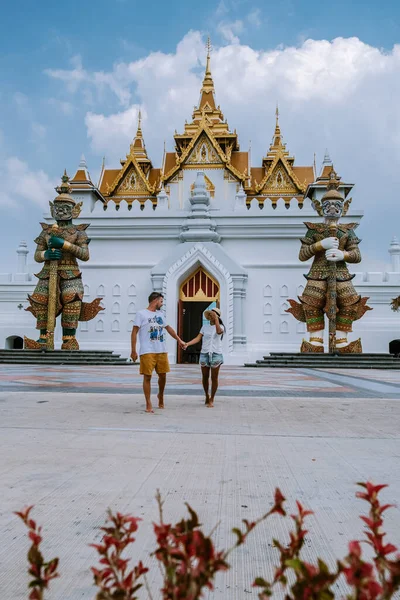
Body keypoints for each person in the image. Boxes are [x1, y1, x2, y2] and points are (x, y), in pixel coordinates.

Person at [131, 292, 184, 413]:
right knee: (147, 376)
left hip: (161, 349)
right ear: (155, 300)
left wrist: (179, 340)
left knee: (163, 375)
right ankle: (148, 403)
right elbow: (134, 332)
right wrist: (133, 350)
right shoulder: (141, 314)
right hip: (147, 350)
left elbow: (168, 328)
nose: (162, 304)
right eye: (161, 301)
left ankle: (160, 395)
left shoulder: (160, 314)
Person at [183, 308, 224, 408]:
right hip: (204, 353)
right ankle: (206, 395)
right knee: (205, 377)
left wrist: (217, 320)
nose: (211, 317)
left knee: (214, 378)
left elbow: (219, 332)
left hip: (216, 354)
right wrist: (187, 344)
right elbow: (198, 338)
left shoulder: (221, 327)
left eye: (213, 315)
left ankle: (212, 398)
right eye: (210, 315)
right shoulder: (204, 327)